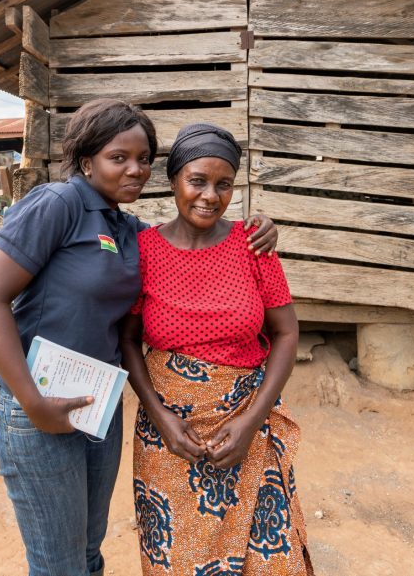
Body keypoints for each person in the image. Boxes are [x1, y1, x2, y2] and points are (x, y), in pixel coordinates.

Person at [0, 100, 278, 576]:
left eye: (144, 159)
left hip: (98, 405)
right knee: (58, 566)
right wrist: (31, 402)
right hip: (38, 403)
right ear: (87, 159)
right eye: (119, 157)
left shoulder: (126, 227)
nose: (135, 169)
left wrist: (257, 229)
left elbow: (183, 242)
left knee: (89, 553)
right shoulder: (58, 205)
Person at [120, 122, 314, 576]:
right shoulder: (143, 250)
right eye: (197, 181)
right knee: (177, 562)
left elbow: (286, 334)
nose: (210, 195)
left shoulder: (252, 245)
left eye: (223, 184)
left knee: (268, 559)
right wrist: (159, 416)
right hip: (170, 435)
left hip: (246, 424)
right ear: (173, 183)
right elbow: (127, 339)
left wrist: (252, 421)